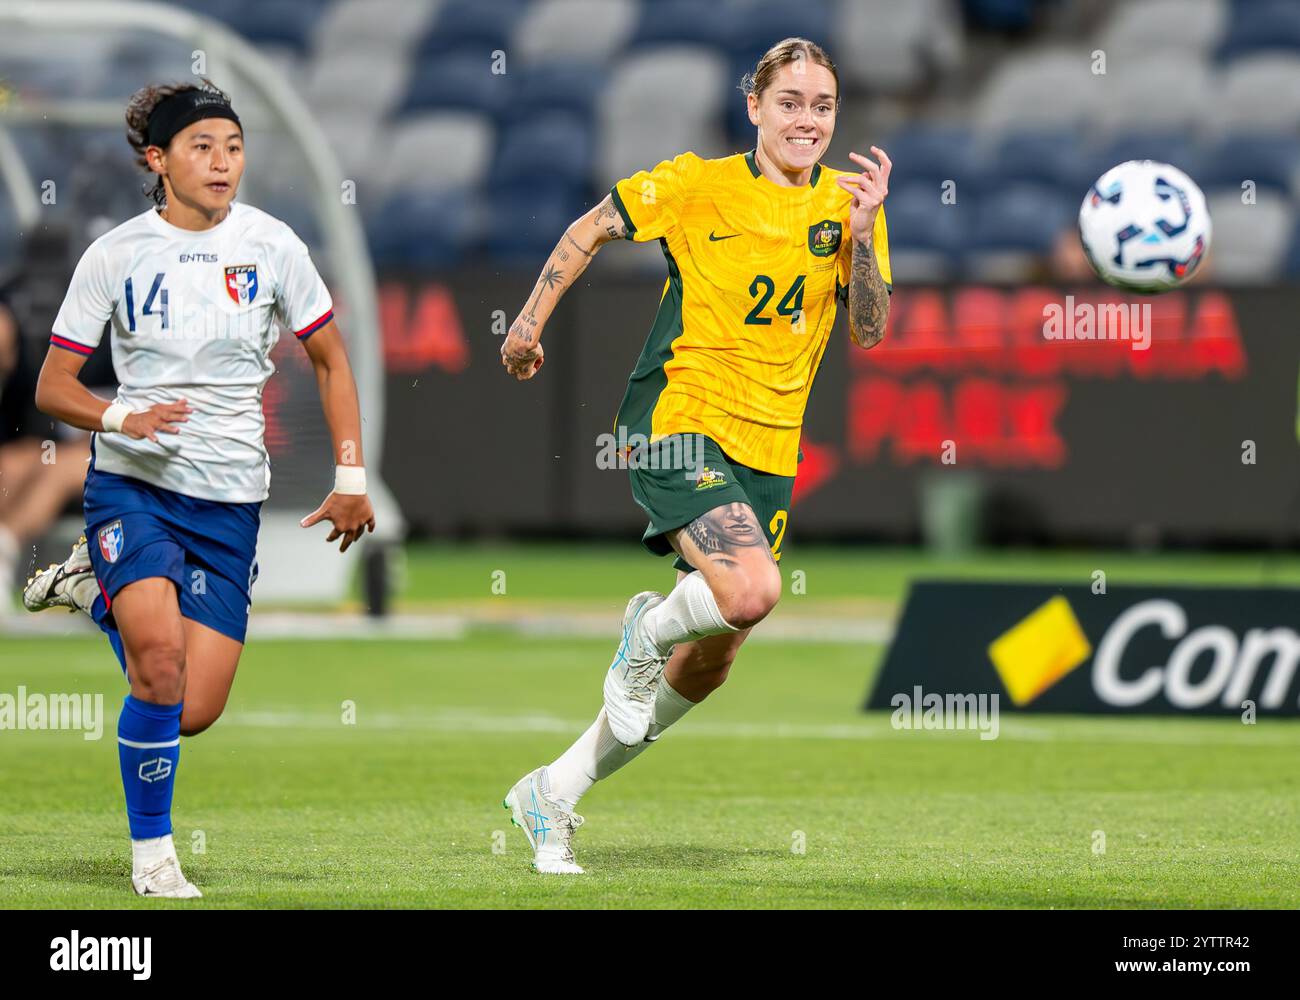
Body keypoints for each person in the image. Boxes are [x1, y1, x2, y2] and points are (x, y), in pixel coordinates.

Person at [498, 38, 892, 874]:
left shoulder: (848, 206)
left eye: (822, 106)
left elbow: (868, 327)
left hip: (769, 450)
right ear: (754, 107)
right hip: (680, 416)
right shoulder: (695, 184)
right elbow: (591, 227)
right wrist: (530, 320)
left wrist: (859, 235)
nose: (807, 120)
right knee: (751, 589)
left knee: (713, 659)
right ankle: (645, 627)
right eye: (790, 102)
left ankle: (553, 793)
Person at [22, 81, 375, 897]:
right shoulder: (113, 255)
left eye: (234, 147)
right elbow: (53, 385)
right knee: (158, 665)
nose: (222, 163)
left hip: (229, 503)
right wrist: (118, 418)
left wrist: (350, 476)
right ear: (158, 159)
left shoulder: (275, 245)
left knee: (191, 707)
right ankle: (153, 858)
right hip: (133, 487)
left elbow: (330, 360)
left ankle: (89, 589)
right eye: (202, 147)